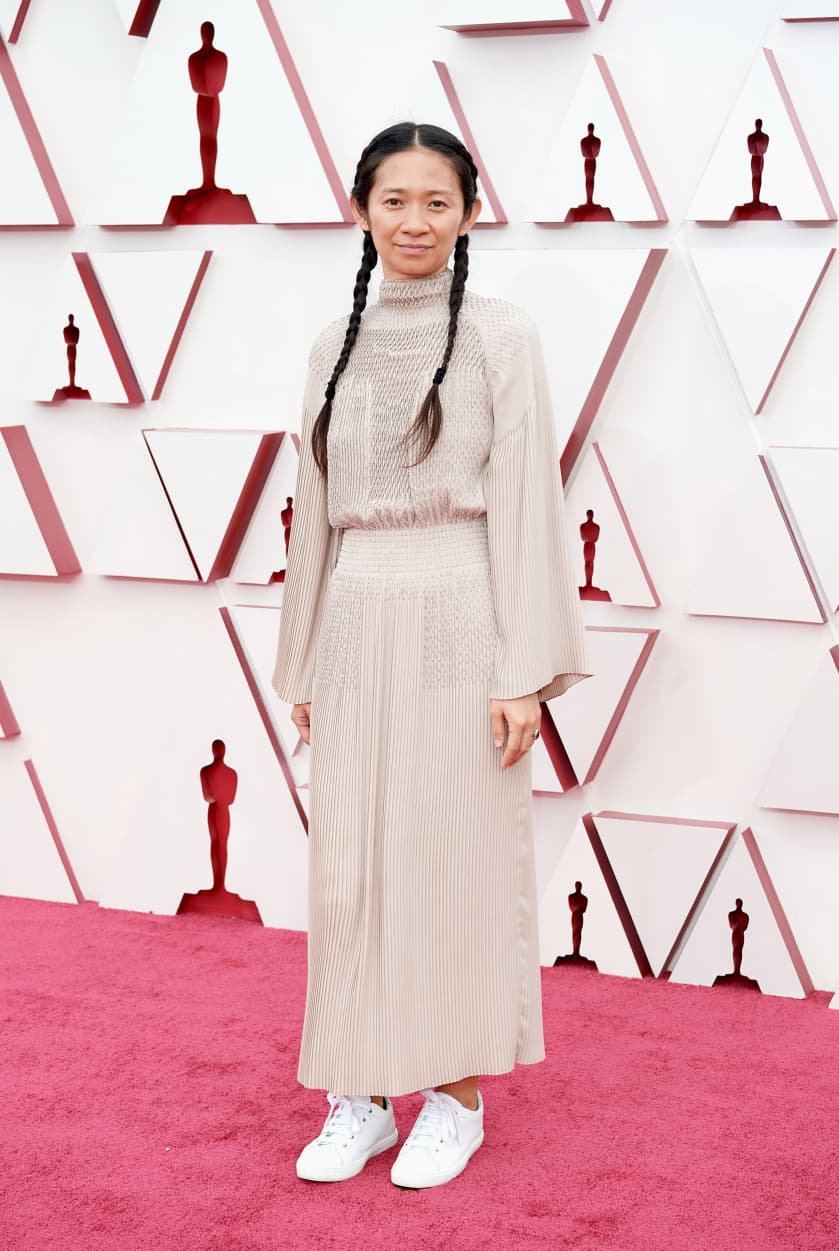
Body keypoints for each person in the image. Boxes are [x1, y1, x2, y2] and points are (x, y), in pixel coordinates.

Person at [271, 122, 593, 1190]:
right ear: (361, 209)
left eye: (436, 201)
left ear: (468, 212)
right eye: (394, 200)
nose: (414, 221)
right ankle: (359, 1096)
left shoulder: (502, 334)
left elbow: (526, 500)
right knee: (351, 868)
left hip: (463, 609)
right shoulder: (333, 342)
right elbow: (314, 504)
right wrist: (305, 660)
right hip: (355, 617)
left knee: (452, 858)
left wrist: (521, 672)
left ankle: (455, 1099)